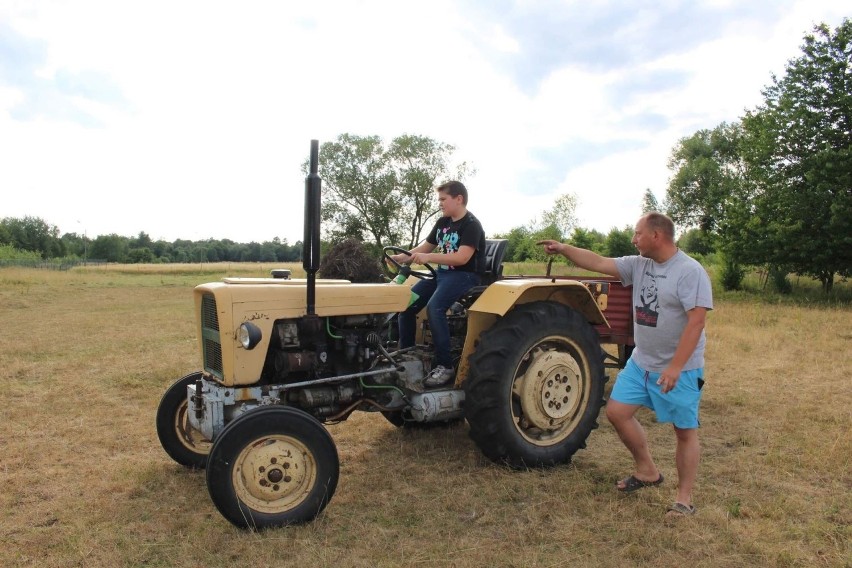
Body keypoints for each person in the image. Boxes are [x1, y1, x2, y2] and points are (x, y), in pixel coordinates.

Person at [539, 212, 712, 517]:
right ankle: (647, 471)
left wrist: (674, 367)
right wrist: (564, 248)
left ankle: (684, 500)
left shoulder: (690, 272)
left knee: (684, 432)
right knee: (617, 413)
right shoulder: (639, 265)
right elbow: (597, 262)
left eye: (637, 234)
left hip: (680, 368)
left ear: (656, 236)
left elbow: (696, 322)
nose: (634, 239)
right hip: (641, 363)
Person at [390, 181, 486, 387]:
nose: (440, 204)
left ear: (458, 199)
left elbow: (461, 258)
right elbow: (425, 247)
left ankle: (445, 366)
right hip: (442, 275)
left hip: (465, 275)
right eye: (439, 200)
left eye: (443, 199)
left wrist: (430, 257)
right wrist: (402, 257)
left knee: (435, 308)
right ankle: (407, 355)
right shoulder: (443, 222)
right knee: (406, 304)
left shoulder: (471, 225)